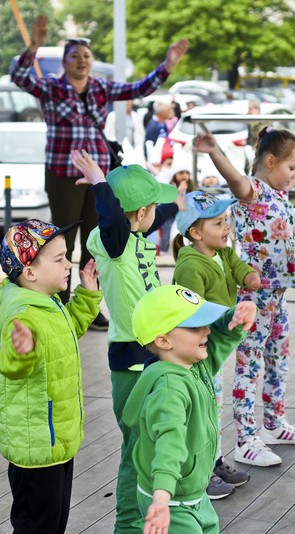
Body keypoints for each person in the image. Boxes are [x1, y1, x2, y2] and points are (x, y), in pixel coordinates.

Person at [10, 14, 188, 328]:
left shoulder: (101, 89)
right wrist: (34, 44)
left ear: (92, 63)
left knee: (98, 239)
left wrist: (168, 64)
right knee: (62, 240)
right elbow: (20, 77)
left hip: (98, 178)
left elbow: (140, 88)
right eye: (75, 56)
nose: (81, 61)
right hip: (62, 174)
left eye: (86, 56)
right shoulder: (52, 88)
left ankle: (89, 303)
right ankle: (60, 304)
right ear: (64, 62)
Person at [194, 121, 295, 468]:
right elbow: (236, 179)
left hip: (277, 297)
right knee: (249, 366)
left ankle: (273, 423)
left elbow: (294, 170)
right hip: (253, 298)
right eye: (291, 168)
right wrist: (215, 150)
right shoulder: (254, 194)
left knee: (279, 359)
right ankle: (246, 439)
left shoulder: (279, 192)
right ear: (269, 163)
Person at [69, 150, 181, 534]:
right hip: (133, 357)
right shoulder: (113, 243)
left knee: (156, 441)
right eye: (153, 206)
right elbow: (115, 219)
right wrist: (101, 183)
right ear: (139, 211)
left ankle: (157, 513)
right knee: (136, 449)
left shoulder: (135, 236)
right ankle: (128, 526)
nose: (157, 212)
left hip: (155, 350)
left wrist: (177, 199)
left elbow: (158, 213)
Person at [0, 219, 102, 533]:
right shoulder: (24, 314)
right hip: (36, 446)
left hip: (55, 441)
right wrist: (21, 351)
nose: (69, 264)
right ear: (30, 272)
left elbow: (68, 331)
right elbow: (11, 367)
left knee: (53, 523)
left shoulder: (48, 303)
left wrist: (88, 295)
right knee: (37, 526)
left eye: (66, 256)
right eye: (59, 260)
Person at [121, 285, 256, 534]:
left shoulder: (191, 365)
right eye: (195, 326)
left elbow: (220, 339)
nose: (206, 331)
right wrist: (161, 499)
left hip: (190, 492)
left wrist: (235, 318)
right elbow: (169, 443)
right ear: (163, 340)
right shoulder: (169, 389)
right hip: (170, 499)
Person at [172, 191, 261, 498]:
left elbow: (239, 266)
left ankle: (214, 460)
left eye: (226, 220)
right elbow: (190, 312)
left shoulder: (222, 253)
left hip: (215, 346)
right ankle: (200, 472)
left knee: (213, 407)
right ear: (195, 233)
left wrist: (249, 277)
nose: (226, 227)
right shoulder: (191, 266)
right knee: (202, 410)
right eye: (218, 222)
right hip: (198, 350)